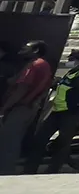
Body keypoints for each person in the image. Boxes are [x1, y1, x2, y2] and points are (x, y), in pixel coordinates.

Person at [25, 49, 79, 174]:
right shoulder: (71, 73)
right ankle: (30, 169)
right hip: (58, 111)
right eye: (69, 59)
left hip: (71, 112)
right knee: (40, 139)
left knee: (63, 143)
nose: (69, 62)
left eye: (72, 60)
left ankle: (52, 170)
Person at [0, 41, 54, 175]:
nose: (22, 49)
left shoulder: (35, 65)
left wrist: (4, 108)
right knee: (12, 139)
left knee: (9, 140)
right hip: (29, 107)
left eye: (26, 48)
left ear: (35, 51)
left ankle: (5, 172)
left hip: (20, 107)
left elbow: (22, 89)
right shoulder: (43, 65)